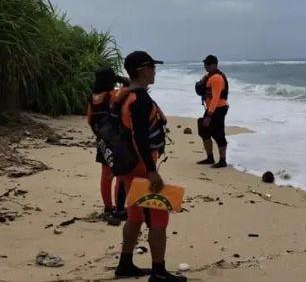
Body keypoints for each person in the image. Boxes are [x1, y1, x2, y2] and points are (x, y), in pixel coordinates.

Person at [115, 51, 186, 282]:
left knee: (135, 215)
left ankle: (125, 264)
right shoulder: (141, 100)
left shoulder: (126, 95)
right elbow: (140, 138)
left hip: (128, 165)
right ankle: (158, 272)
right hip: (141, 167)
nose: (155, 71)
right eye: (152, 67)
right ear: (142, 70)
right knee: (158, 216)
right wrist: (151, 171)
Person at [87, 67, 128, 226]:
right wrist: (123, 80)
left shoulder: (93, 97)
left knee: (106, 175)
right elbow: (130, 88)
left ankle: (108, 207)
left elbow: (89, 119)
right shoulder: (114, 94)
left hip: (102, 140)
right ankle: (119, 207)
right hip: (117, 140)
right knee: (120, 175)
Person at [195, 54, 229, 168]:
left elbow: (216, 98)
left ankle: (223, 160)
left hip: (218, 109)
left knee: (218, 134)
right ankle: (210, 158)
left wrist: (209, 115)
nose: (206, 66)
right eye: (205, 64)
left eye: (208, 64)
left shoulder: (217, 78)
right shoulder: (209, 76)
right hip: (211, 109)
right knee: (203, 130)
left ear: (215, 65)